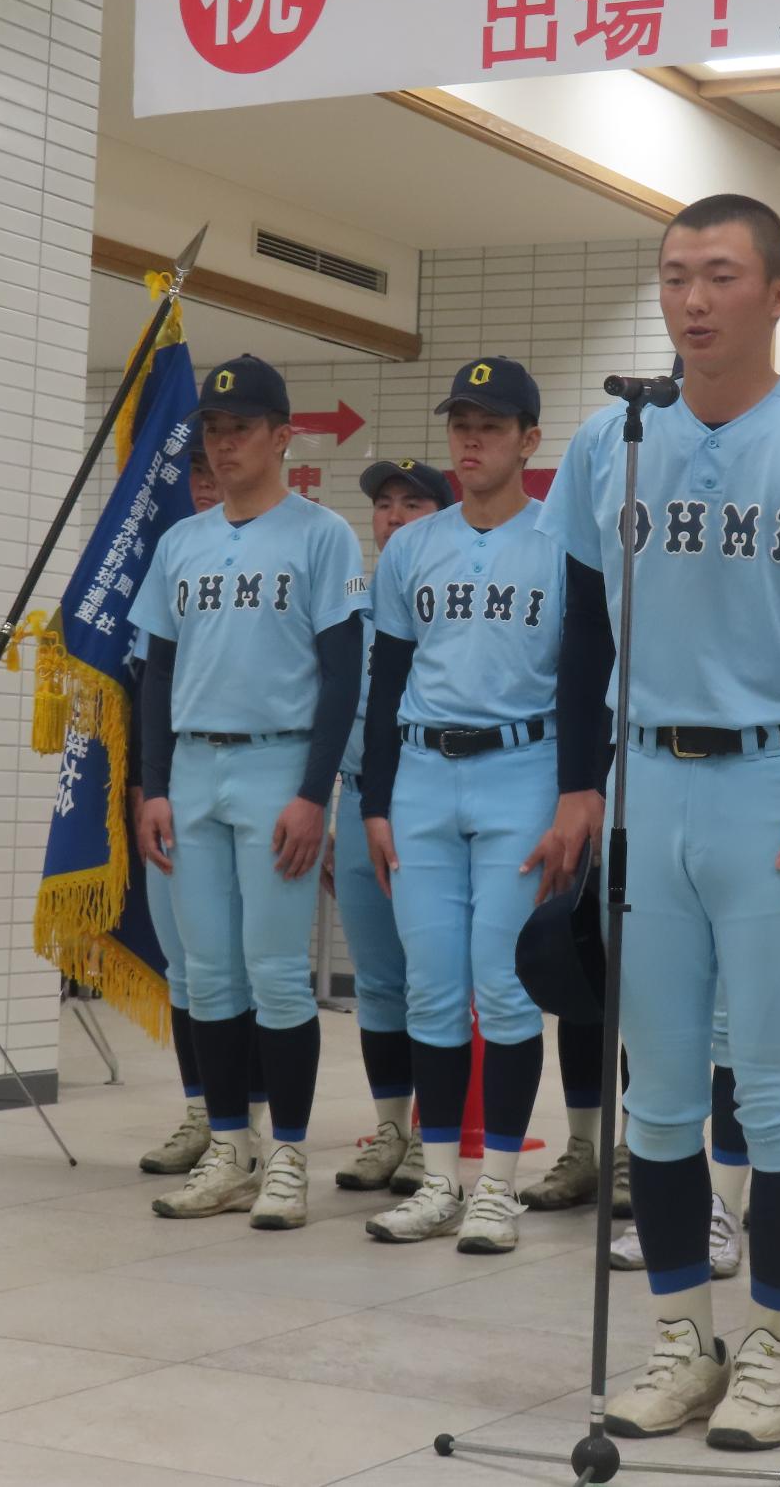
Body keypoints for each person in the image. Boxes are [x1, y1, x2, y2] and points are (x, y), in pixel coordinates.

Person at [535, 193, 780, 1451]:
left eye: (719, 276)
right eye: (673, 276)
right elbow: (584, 622)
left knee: (774, 1096)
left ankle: (772, 1351)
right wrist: (578, 781)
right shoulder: (611, 442)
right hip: (643, 784)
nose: (691, 300)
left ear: (778, 293)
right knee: (657, 1100)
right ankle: (678, 1340)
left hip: (772, 788)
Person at [130, 355, 366, 1228]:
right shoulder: (181, 542)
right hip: (192, 768)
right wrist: (154, 786)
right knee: (210, 975)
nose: (224, 446)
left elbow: (344, 675)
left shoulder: (320, 534)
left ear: (281, 435)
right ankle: (230, 1148)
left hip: (279, 763)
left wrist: (315, 793)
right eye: (213, 433)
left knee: (274, 974)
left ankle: (290, 1158)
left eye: (240, 431)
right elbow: (158, 672)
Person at [360, 357, 571, 1254]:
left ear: (529, 438)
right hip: (421, 773)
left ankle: (499, 1187)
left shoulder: (563, 542)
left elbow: (591, 676)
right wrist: (375, 799)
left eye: (491, 424)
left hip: (522, 766)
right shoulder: (414, 545)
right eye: (461, 423)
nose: (472, 439)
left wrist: (575, 796)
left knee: (505, 981)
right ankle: (440, 1177)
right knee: (431, 987)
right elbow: (389, 675)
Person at [329, 458, 450, 1192]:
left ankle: (432, 1140)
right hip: (355, 798)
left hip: (429, 795)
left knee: (435, 980)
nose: (395, 516)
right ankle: (390, 1129)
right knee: (377, 981)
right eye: (385, 504)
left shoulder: (446, 603)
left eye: (414, 503)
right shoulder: (352, 609)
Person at [137, 433, 224, 1178]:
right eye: (192, 471)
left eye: (211, 468)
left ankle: (245, 1122)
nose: (202, 482)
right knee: (187, 968)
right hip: (172, 786)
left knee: (242, 969)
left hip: (245, 778)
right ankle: (200, 1111)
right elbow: (150, 684)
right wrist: (149, 786)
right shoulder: (173, 556)